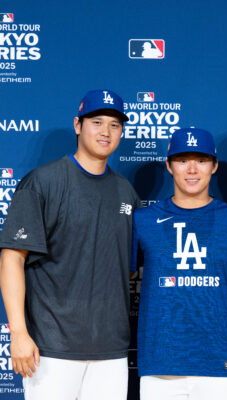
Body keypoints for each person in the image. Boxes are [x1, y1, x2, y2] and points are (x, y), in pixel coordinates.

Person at [0, 89, 141, 400]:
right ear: (78, 125)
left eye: (115, 125)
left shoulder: (125, 192)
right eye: (97, 121)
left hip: (111, 349)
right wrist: (19, 334)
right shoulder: (43, 182)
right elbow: (12, 257)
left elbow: (128, 271)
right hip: (51, 348)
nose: (106, 131)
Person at [132, 128, 227, 400]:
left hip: (219, 362)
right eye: (183, 160)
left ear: (214, 166)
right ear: (169, 166)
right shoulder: (143, 220)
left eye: (202, 160)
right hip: (160, 363)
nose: (192, 169)